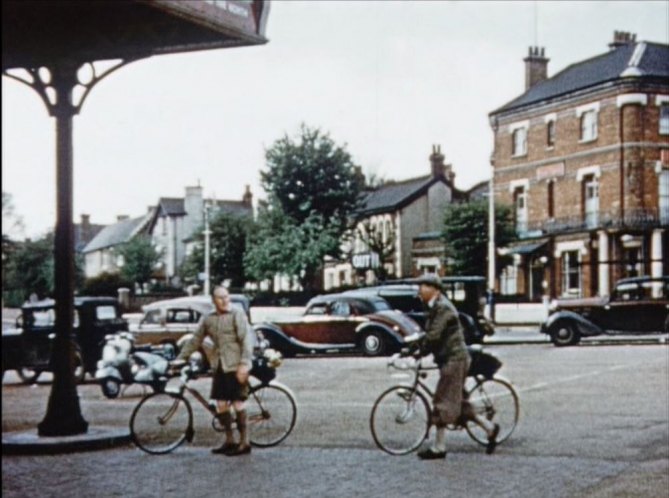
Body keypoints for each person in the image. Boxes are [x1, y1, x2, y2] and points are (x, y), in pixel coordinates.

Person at [414, 274, 500, 460]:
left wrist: (419, 351)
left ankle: (439, 447)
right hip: (451, 359)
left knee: (442, 400)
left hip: (454, 360)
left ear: (434, 289)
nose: (419, 290)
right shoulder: (435, 306)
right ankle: (489, 428)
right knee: (460, 403)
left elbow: (434, 335)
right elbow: (430, 334)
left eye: (423, 286)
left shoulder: (443, 307)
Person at [175, 286, 255, 456]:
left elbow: (246, 340)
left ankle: (245, 442)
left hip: (235, 365)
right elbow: (196, 339)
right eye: (220, 298)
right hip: (219, 365)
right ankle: (229, 440)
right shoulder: (208, 319)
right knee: (221, 404)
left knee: (238, 403)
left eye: (227, 297)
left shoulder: (237, 315)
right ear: (213, 300)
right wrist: (181, 358)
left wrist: (244, 364)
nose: (225, 300)